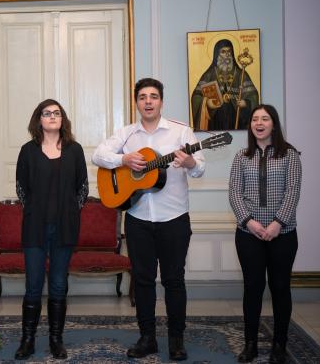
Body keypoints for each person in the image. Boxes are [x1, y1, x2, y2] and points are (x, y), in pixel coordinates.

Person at [92, 78, 205, 361]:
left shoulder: (181, 132)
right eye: (142, 97)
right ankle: (147, 338)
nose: (148, 101)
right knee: (142, 281)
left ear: (161, 101)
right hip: (138, 219)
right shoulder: (128, 134)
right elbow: (98, 154)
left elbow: (199, 168)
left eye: (153, 96)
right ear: (137, 102)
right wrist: (124, 160)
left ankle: (176, 340)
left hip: (174, 218)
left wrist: (190, 162)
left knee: (173, 280)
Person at [14, 98, 88, 360]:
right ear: (39, 119)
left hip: (65, 228)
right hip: (34, 228)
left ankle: (57, 341)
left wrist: (70, 212)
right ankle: (28, 340)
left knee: (58, 285)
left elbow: (83, 188)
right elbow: (21, 188)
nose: (52, 117)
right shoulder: (28, 151)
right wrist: (34, 211)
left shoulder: (75, 150)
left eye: (57, 113)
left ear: (62, 119)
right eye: (47, 113)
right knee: (33, 286)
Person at [229, 104, 302, 364]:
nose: (259, 123)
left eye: (265, 118)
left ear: (274, 124)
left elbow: (292, 191)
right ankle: (250, 344)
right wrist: (250, 222)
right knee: (252, 288)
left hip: (283, 233)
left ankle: (279, 345)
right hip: (248, 234)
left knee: (281, 288)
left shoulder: (290, 155)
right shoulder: (241, 156)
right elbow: (235, 193)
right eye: (255, 119)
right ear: (250, 125)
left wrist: (276, 224)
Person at [191, 39, 259, 131]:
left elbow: (253, 96)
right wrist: (207, 102)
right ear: (217, 55)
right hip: (215, 121)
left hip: (236, 119)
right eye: (223, 52)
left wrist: (246, 103)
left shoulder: (240, 74)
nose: (227, 55)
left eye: (229, 51)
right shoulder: (209, 74)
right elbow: (196, 96)